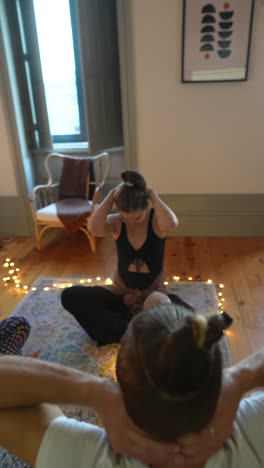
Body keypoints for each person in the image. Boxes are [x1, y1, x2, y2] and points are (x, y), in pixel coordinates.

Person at [0, 303, 264, 468]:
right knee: (158, 300)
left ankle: (9, 353)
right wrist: (242, 376)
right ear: (215, 383)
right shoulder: (253, 434)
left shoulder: (88, 458)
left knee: (14, 333)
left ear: (120, 382)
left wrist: (95, 392)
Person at [61, 169, 192, 346]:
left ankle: (128, 329)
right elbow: (94, 227)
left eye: (137, 218)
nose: (130, 222)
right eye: (125, 217)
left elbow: (172, 223)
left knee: (191, 321)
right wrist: (111, 196)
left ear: (147, 206)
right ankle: (131, 328)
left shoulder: (156, 222)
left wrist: (152, 195)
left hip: (154, 294)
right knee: (70, 295)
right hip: (121, 293)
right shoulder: (116, 222)